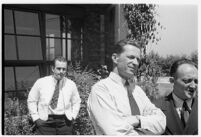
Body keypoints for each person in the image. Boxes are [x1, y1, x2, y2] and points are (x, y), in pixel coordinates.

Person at [87, 39, 166, 135]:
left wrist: (138, 120)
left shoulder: (137, 91)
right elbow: (115, 132)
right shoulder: (102, 90)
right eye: (131, 57)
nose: (136, 63)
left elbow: (161, 121)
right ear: (115, 58)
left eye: (138, 59)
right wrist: (148, 128)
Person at [27, 56, 81, 135]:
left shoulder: (71, 84)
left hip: (65, 122)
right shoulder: (41, 82)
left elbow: (77, 102)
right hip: (45, 121)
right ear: (53, 68)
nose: (61, 71)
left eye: (64, 69)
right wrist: (36, 118)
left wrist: (73, 117)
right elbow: (31, 100)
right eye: (58, 68)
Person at [154, 58, 198, 135]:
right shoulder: (155, 108)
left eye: (196, 81)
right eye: (187, 81)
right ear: (172, 80)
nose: (193, 86)